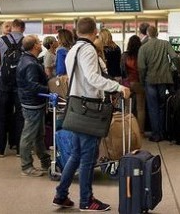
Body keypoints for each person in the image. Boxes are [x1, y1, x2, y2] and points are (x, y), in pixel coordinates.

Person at [53, 17, 130, 211]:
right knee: (88, 156)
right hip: (90, 109)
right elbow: (92, 78)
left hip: (77, 107)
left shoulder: (72, 51)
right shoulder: (87, 50)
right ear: (94, 31)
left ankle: (61, 194)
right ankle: (86, 201)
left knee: (76, 155)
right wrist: (118, 86)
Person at [16, 35, 51, 177]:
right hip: (33, 104)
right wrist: (50, 89)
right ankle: (26, 166)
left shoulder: (27, 59)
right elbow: (32, 85)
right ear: (35, 46)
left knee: (38, 134)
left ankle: (45, 162)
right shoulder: (30, 63)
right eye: (38, 41)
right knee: (29, 135)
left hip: (31, 102)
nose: (41, 43)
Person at [0, 19, 26, 158]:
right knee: (20, 116)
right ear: (23, 28)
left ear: (12, 27)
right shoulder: (27, 41)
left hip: (3, 82)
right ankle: (18, 148)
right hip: (20, 83)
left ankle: (0, 150)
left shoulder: (1, 40)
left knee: (2, 115)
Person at [137, 25, 179, 142]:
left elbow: (141, 67)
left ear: (148, 34)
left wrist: (142, 80)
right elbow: (175, 57)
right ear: (157, 33)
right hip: (164, 80)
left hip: (150, 80)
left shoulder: (144, 48)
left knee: (152, 108)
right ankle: (162, 132)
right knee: (161, 106)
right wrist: (177, 69)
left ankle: (156, 134)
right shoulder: (165, 44)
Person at [121, 35, 146, 134]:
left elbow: (122, 70)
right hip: (138, 82)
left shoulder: (124, 55)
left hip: (127, 83)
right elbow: (143, 69)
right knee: (140, 108)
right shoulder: (141, 54)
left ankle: (128, 130)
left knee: (127, 108)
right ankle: (140, 132)